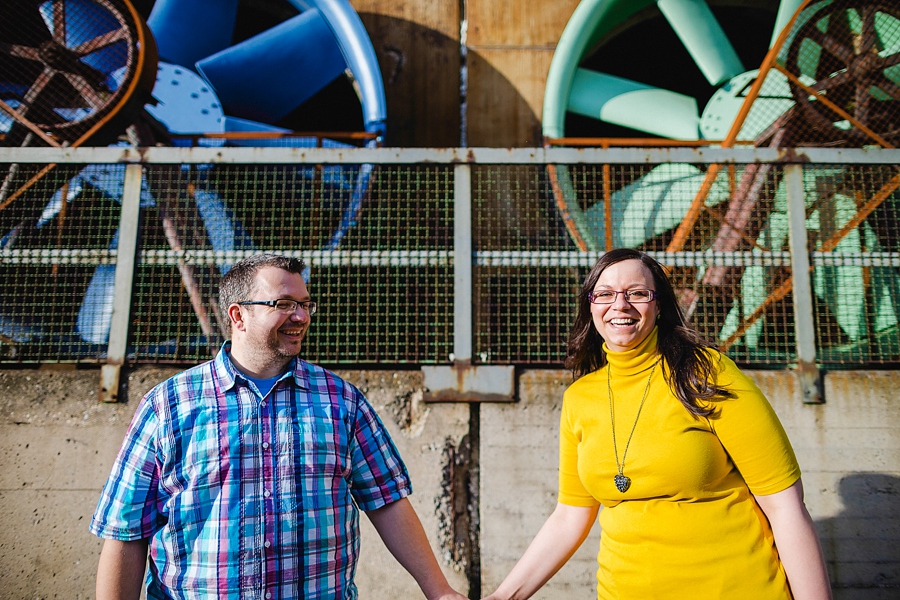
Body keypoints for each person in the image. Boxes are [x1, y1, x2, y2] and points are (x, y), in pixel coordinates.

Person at [90, 253, 467, 600]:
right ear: (237, 316)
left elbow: (388, 502)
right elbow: (125, 533)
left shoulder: (342, 402)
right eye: (283, 304)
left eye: (305, 305)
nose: (301, 317)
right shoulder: (168, 405)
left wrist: (439, 591)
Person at [484, 248, 832, 600]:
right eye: (605, 294)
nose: (620, 305)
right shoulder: (579, 398)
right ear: (591, 306)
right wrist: (503, 597)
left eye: (636, 293)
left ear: (660, 305)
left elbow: (785, 506)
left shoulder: (706, 373)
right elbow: (569, 516)